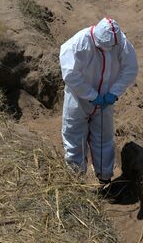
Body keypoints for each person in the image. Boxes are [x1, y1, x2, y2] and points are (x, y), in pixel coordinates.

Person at [59, 18, 138, 187]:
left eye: (112, 47)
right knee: (74, 139)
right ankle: (76, 182)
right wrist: (91, 95)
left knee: (104, 138)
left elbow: (131, 68)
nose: (109, 51)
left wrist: (113, 93)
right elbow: (70, 74)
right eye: (104, 48)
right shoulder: (79, 43)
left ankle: (105, 178)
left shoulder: (120, 42)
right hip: (78, 99)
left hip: (105, 101)